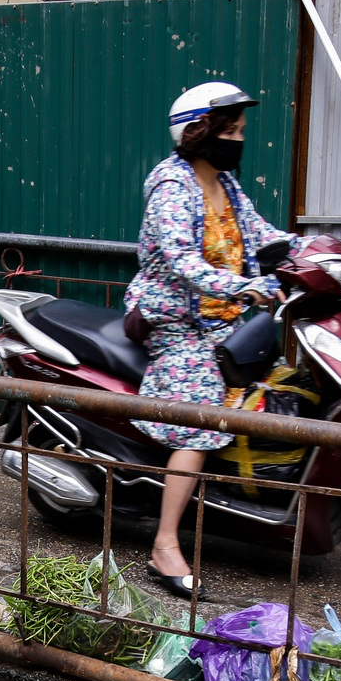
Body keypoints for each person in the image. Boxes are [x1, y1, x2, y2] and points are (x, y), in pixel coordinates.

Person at [124, 81, 296, 599]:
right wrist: (246, 285)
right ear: (199, 132)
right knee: (200, 421)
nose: (239, 140)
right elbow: (183, 261)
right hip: (176, 324)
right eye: (231, 130)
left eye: (241, 131)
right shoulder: (172, 187)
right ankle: (164, 545)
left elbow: (261, 234)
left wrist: (312, 251)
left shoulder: (226, 183)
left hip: (224, 319)